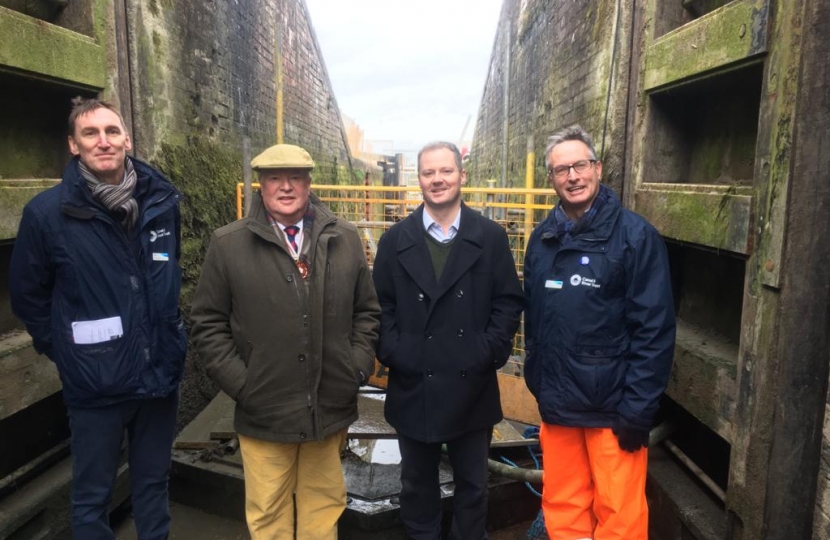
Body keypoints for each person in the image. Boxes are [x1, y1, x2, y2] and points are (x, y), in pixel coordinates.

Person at [9, 98, 185, 540]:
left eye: (111, 131)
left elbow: (168, 272)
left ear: (127, 139)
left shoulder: (162, 201)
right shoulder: (47, 214)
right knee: (91, 498)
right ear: (74, 145)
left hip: (159, 374)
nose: (103, 141)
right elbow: (28, 296)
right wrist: (66, 352)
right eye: (90, 134)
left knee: (153, 485)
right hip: (94, 385)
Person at [189, 143, 380, 539]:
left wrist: (356, 367)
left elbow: (367, 312)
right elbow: (207, 323)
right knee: (268, 511)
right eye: (276, 178)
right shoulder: (229, 244)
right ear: (261, 185)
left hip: (329, 404)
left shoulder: (343, 238)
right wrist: (245, 385)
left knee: (323, 506)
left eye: (295, 177)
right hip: (265, 409)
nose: (286, 186)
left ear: (309, 182)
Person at [523, 125, 676, 540]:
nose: (572, 176)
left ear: (598, 168)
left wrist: (638, 408)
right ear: (552, 180)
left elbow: (654, 329)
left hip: (612, 410)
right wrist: (537, 381)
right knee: (563, 509)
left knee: (620, 516)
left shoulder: (635, 237)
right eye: (561, 170)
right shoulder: (541, 240)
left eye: (580, 165)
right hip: (558, 405)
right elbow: (534, 321)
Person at [372, 141, 523, 540]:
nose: (437, 180)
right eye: (428, 173)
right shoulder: (394, 241)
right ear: (418, 179)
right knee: (416, 485)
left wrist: (485, 350)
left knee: (473, 488)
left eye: (446, 171)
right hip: (413, 382)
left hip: (470, 384)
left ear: (461, 176)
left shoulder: (489, 237)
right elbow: (379, 307)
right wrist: (396, 352)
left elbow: (508, 301)